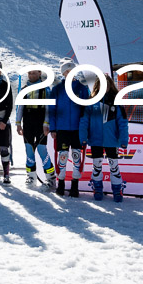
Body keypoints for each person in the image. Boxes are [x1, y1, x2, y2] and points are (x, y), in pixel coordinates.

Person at [80, 76, 129, 202]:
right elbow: (84, 121)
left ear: (110, 86)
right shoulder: (90, 102)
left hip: (111, 141)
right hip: (95, 140)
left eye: (106, 85)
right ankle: (97, 188)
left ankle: (117, 190)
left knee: (114, 165)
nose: (104, 87)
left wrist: (124, 140)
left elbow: (123, 122)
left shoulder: (116, 102)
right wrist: (83, 137)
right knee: (97, 165)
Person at [48, 58, 90, 197]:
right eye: (67, 71)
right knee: (63, 157)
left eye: (72, 70)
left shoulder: (82, 88)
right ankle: (61, 184)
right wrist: (53, 128)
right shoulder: (57, 89)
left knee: (77, 157)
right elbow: (51, 110)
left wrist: (86, 128)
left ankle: (75, 185)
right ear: (63, 73)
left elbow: (86, 110)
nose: (70, 72)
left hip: (78, 130)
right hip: (62, 129)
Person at [16, 69, 57, 187]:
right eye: (29, 73)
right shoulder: (24, 89)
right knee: (29, 149)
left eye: (34, 73)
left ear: (39, 73)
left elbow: (49, 108)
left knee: (42, 150)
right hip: (28, 122)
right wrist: (18, 123)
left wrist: (46, 124)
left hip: (40, 123)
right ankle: (31, 176)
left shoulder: (46, 89)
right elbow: (20, 107)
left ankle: (51, 178)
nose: (31, 75)